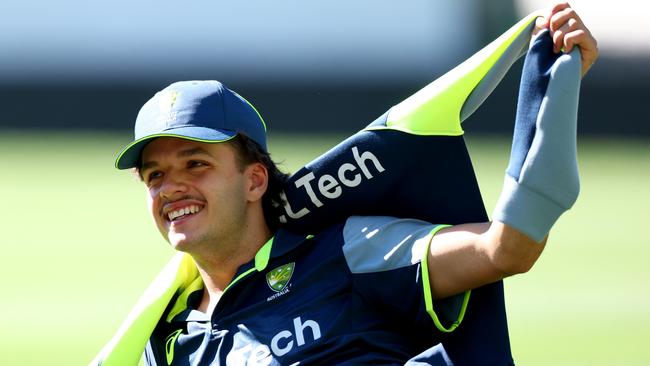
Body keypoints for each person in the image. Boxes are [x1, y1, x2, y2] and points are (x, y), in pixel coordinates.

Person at [96, 3, 598, 365]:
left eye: (196, 163)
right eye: (155, 175)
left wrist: (552, 91)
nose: (171, 188)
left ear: (254, 180)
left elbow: (505, 251)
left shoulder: (349, 252)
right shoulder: (166, 342)